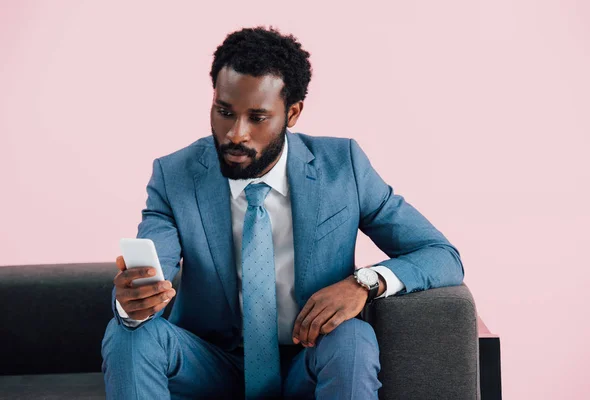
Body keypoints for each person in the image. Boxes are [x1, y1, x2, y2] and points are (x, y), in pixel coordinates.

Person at [101, 26, 464, 400]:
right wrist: (133, 303)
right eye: (224, 112)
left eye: (257, 118)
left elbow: (441, 255)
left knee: (352, 337)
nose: (235, 134)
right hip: (210, 364)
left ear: (291, 114)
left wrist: (363, 283)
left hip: (307, 359)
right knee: (129, 332)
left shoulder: (344, 168)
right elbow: (152, 265)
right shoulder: (175, 175)